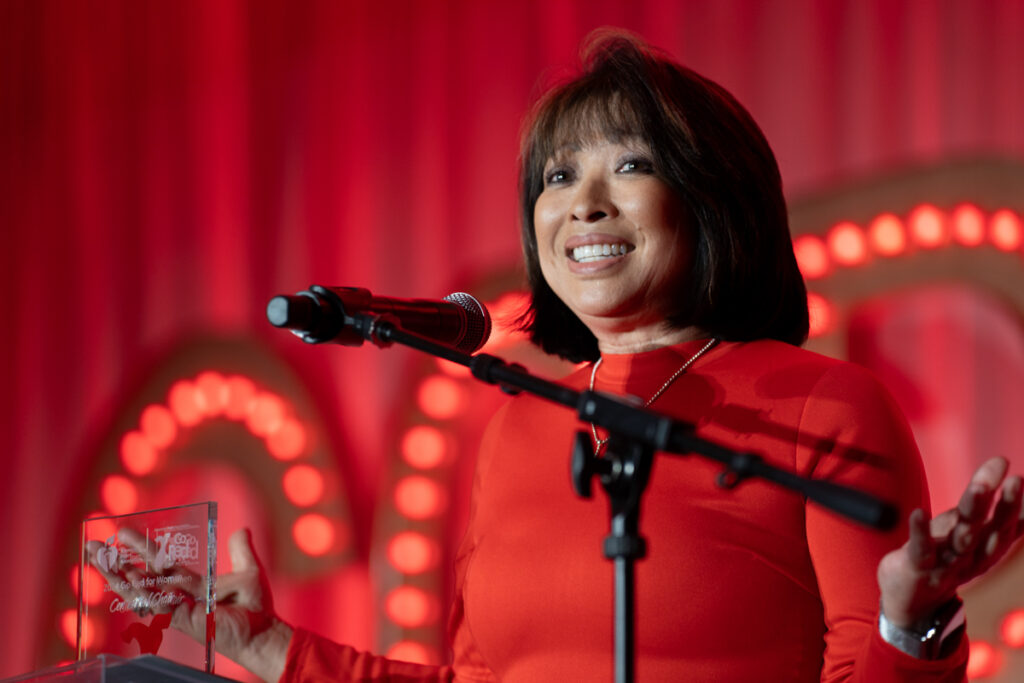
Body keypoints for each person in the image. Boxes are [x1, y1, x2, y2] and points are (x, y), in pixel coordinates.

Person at [142, 32, 1024, 682]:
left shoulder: (823, 404)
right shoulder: (520, 423)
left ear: (714, 201)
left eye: (629, 165)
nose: (584, 206)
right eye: (557, 178)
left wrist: (912, 627)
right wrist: (265, 645)